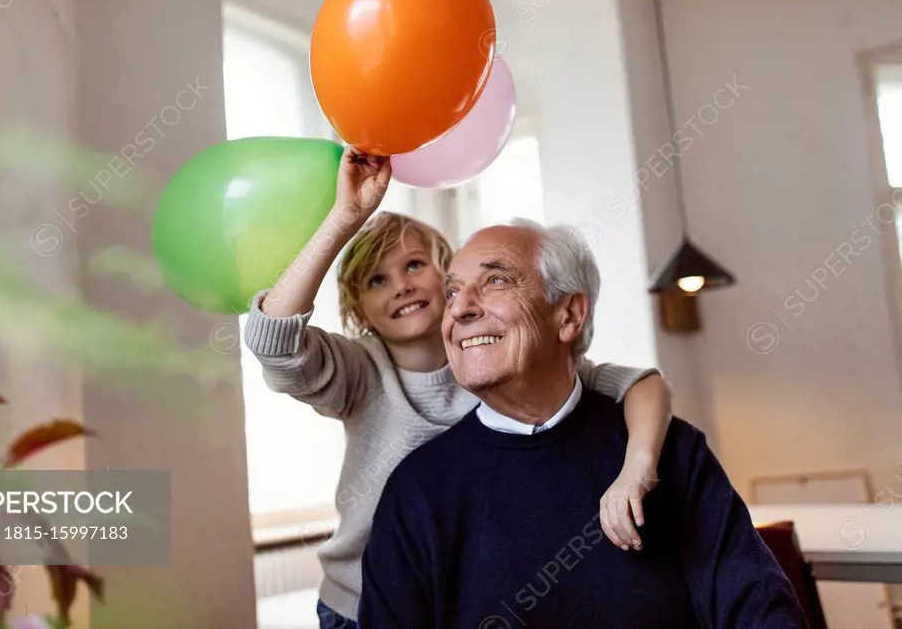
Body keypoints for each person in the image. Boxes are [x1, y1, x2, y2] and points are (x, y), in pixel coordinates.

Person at [243, 148, 674, 629]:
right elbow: (273, 341)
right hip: (361, 605)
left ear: (448, 277)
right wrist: (345, 217)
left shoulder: (500, 362)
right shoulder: (358, 370)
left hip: (463, 597)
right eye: (376, 280)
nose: (401, 286)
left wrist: (637, 468)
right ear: (360, 310)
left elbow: (642, 384)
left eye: (413, 265)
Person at [359, 221, 808, 629]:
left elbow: (760, 610)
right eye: (453, 292)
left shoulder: (674, 453)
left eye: (495, 281)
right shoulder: (416, 490)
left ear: (569, 315)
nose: (459, 311)